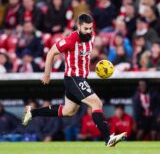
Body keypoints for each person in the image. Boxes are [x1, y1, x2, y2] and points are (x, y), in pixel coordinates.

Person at [22, 13, 126, 147]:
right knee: (96, 103)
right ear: (78, 26)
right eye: (86, 28)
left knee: (68, 111)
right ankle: (108, 139)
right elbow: (51, 53)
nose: (89, 31)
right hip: (73, 78)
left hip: (81, 78)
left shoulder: (92, 36)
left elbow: (86, 53)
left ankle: (32, 113)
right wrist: (47, 73)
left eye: (90, 28)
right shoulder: (71, 39)